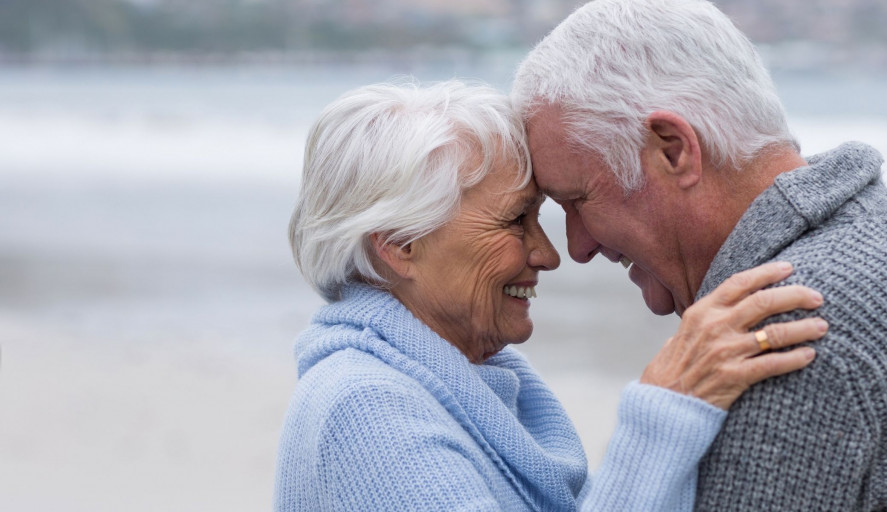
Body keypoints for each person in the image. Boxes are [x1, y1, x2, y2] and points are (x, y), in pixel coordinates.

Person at [510, 0, 887, 510]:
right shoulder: (874, 240)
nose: (576, 247)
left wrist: (653, 419)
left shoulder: (782, 324)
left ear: (673, 149)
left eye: (577, 201)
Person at [274, 80, 828, 511]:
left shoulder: (473, 379)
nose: (547, 253)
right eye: (516, 221)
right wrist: (664, 410)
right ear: (399, 246)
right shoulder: (367, 408)